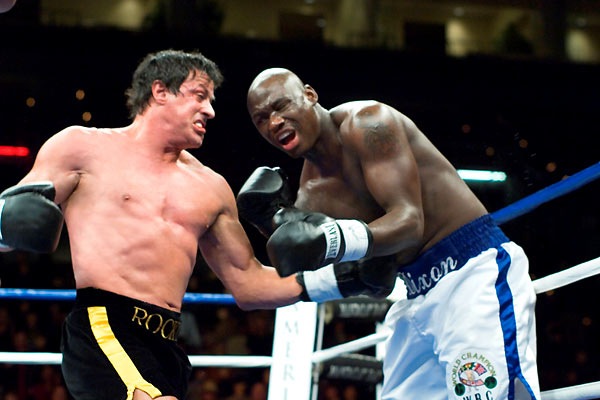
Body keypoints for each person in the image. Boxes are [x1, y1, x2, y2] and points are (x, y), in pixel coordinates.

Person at [0, 50, 307, 400]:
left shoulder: (211, 188)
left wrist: (334, 278)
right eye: (199, 96)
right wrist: (6, 227)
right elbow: (16, 211)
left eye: (211, 100)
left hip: (167, 345)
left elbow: (249, 283)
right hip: (104, 328)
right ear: (160, 91)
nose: (210, 110)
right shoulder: (83, 148)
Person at [241, 67, 541, 399]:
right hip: (414, 291)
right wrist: (271, 224)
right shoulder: (312, 195)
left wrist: (333, 239)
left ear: (310, 95)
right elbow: (377, 279)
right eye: (261, 119)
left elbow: (410, 223)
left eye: (281, 106)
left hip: (470, 271)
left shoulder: (368, 123)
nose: (274, 122)